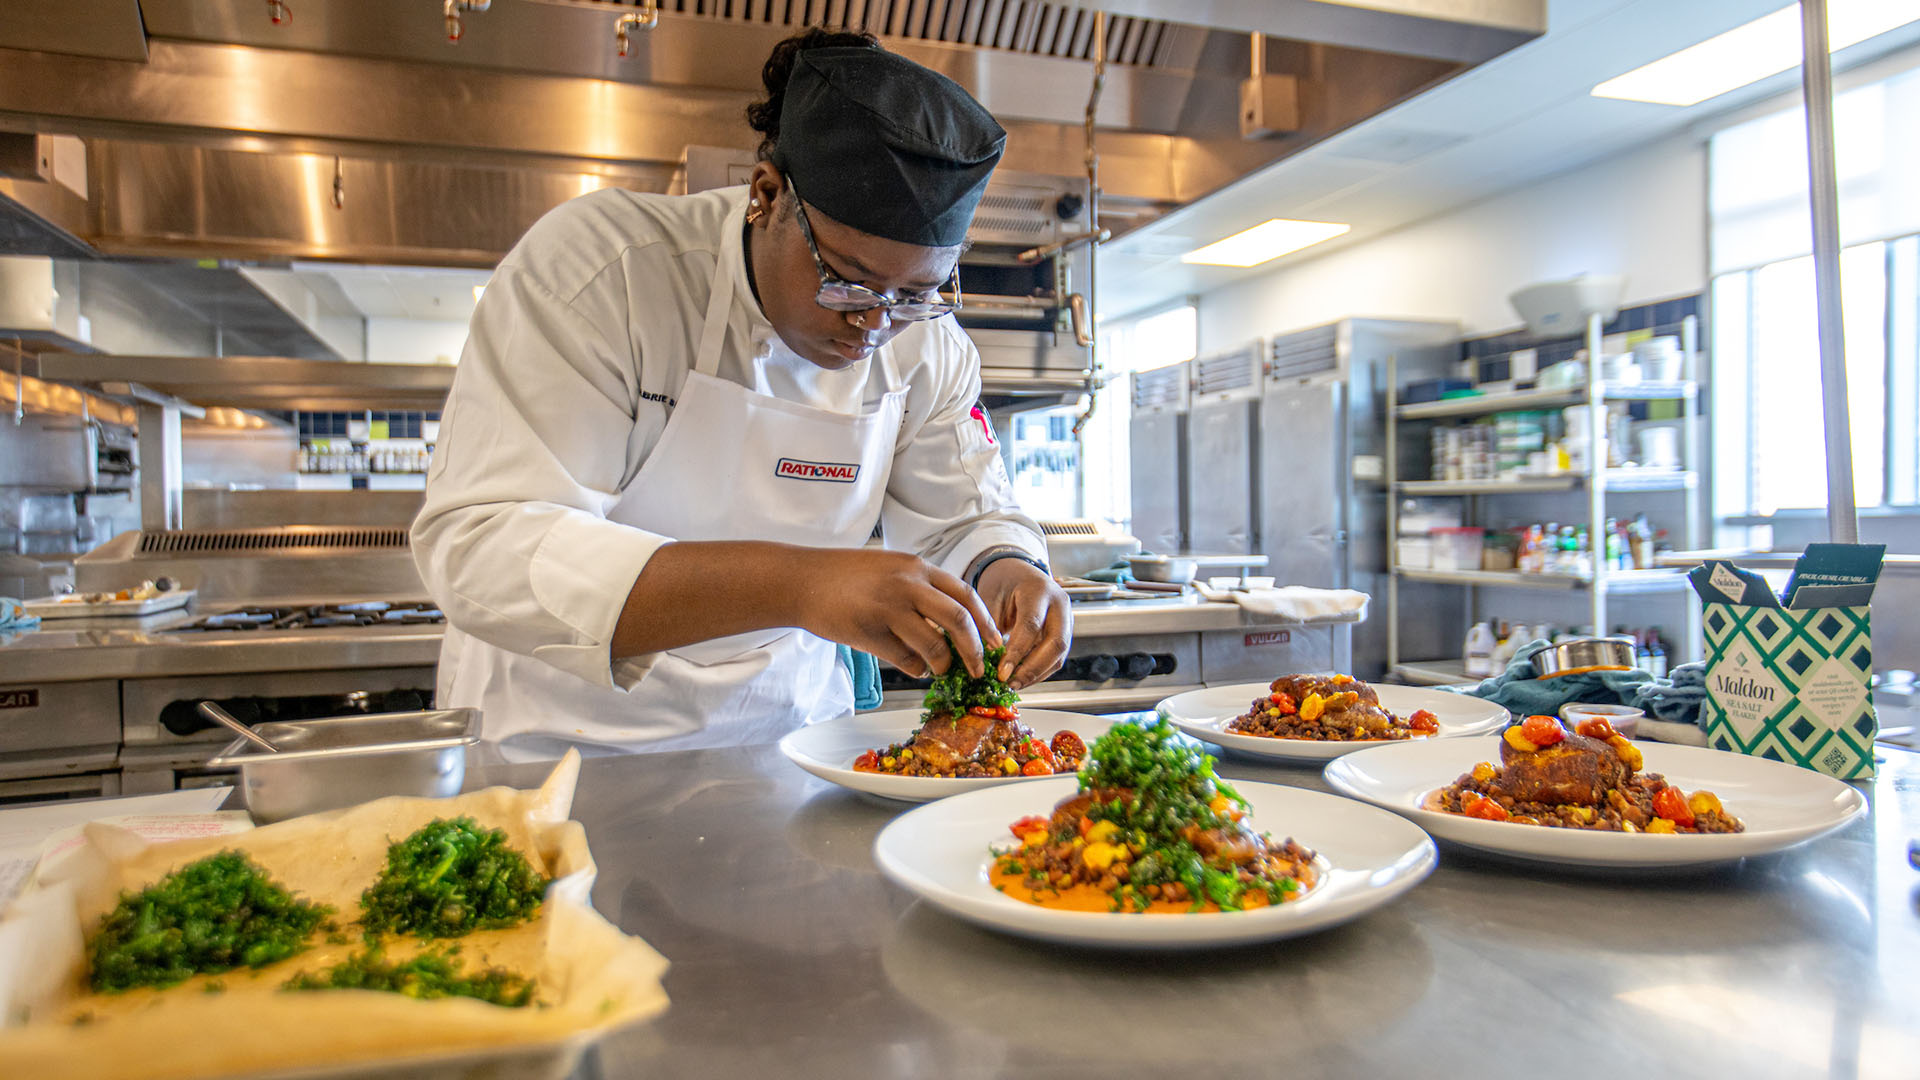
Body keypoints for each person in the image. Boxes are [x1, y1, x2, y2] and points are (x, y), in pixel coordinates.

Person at [412, 29, 1071, 760]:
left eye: (915, 292)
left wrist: (1011, 568)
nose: (875, 323)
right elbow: (485, 547)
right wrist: (801, 584)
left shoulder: (927, 341)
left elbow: (965, 517)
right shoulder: (608, 269)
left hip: (792, 750)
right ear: (766, 194)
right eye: (846, 278)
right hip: (558, 748)